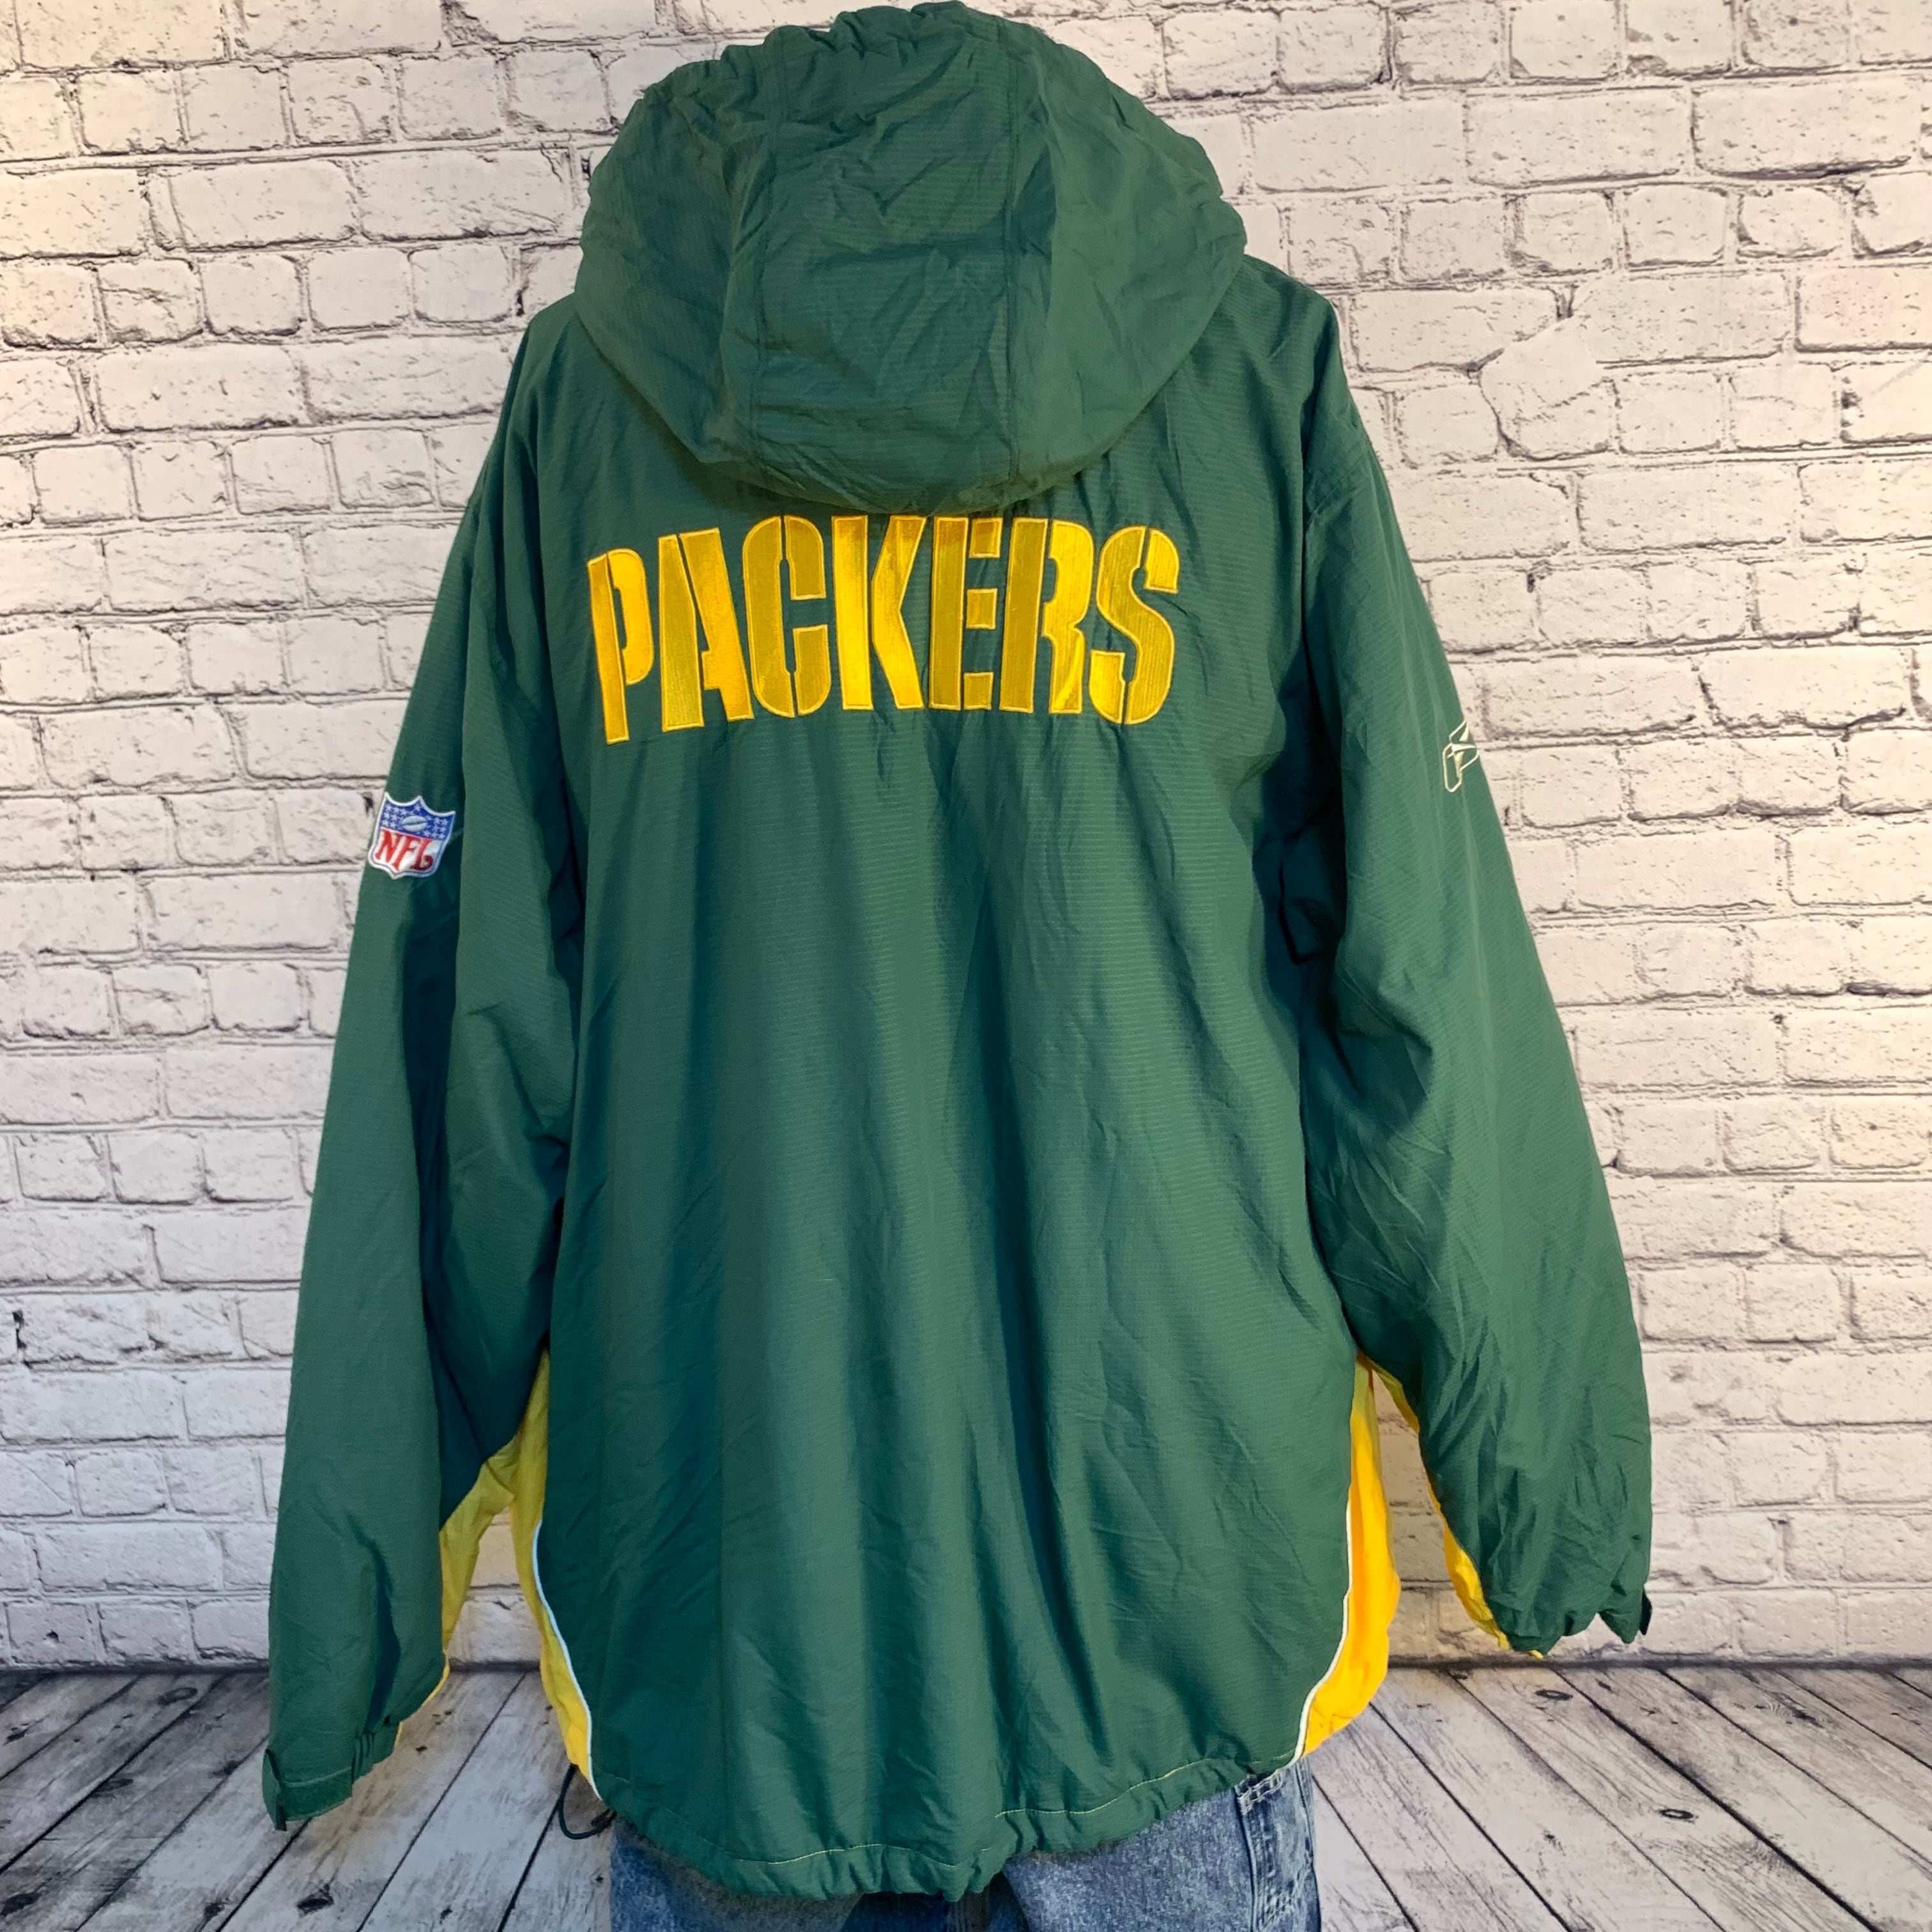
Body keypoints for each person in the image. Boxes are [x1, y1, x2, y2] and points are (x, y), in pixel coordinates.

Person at [261, 5, 1653, 1928]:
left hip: (743, 1586)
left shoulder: (589, 404)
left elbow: (465, 1029)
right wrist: (1547, 1479)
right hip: (1159, 1546)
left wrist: (351, 1597)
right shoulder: (1244, 374)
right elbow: (1423, 979)